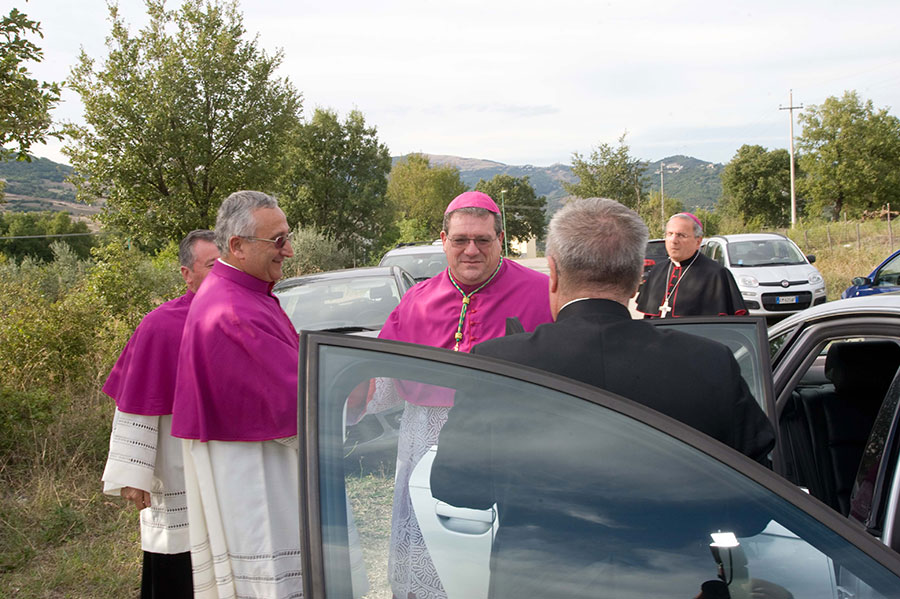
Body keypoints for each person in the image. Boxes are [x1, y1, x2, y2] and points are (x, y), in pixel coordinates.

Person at [430, 198, 776, 598]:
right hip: (674, 583)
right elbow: (754, 508)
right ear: (637, 280)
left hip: (534, 585)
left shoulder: (500, 363)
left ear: (554, 273)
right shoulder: (709, 362)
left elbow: (456, 485)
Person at [370, 190, 553, 599]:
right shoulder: (416, 299)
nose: (471, 250)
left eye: (483, 240)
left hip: (510, 447)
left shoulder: (543, 293)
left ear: (500, 240)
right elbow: (384, 379)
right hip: (424, 440)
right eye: (460, 240)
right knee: (429, 564)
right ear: (443, 240)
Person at [170, 191, 302, 599]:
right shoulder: (233, 310)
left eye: (287, 236)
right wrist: (357, 383)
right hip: (257, 475)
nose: (290, 250)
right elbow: (297, 397)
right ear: (237, 246)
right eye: (277, 241)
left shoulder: (245, 294)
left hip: (262, 461)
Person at [101, 229, 219, 599]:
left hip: (228, 461)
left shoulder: (244, 315)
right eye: (212, 266)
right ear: (187, 274)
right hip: (175, 461)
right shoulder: (160, 325)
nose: (221, 275)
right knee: (176, 559)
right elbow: (136, 401)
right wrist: (133, 474)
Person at [636, 212, 747, 317]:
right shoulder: (657, 271)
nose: (673, 240)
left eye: (681, 235)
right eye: (670, 234)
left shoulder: (716, 274)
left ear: (698, 242)